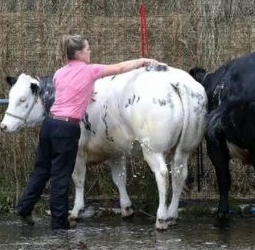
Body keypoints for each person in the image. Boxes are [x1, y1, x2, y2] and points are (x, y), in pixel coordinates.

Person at [15, 34, 160, 230]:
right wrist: (142, 61)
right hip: (67, 128)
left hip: (49, 125)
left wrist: (86, 96)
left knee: (41, 170)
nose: (90, 51)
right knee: (61, 176)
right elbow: (119, 68)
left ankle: (24, 207)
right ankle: (59, 224)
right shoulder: (89, 71)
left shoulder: (59, 72)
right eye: (87, 49)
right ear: (79, 53)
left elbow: (66, 93)